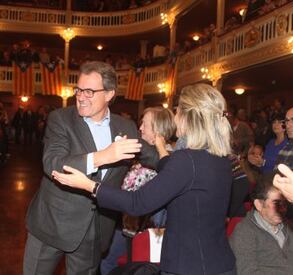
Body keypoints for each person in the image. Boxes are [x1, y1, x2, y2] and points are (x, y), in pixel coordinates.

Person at [53, 83, 236, 275]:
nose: (175, 117)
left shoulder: (186, 160)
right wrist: (160, 149)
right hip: (220, 263)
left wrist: (89, 185)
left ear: (189, 117)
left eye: (178, 111)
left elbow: (137, 203)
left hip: (189, 267)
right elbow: (177, 174)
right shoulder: (220, 158)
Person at [23, 61, 157, 274]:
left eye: (89, 91)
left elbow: (153, 156)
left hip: (94, 230)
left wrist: (186, 159)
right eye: (79, 90)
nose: (81, 96)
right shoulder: (61, 119)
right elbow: (53, 163)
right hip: (52, 224)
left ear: (109, 94)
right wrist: (103, 156)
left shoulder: (125, 127)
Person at [101, 107, 176, 275]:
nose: (140, 128)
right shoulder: (143, 154)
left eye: (144, 124)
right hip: (126, 226)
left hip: (146, 232)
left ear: (158, 131)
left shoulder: (169, 161)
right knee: (108, 263)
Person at [230, 173, 293, 275]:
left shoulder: (291, 228)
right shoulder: (244, 232)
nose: (283, 209)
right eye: (276, 203)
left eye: (285, 204)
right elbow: (247, 271)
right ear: (259, 205)